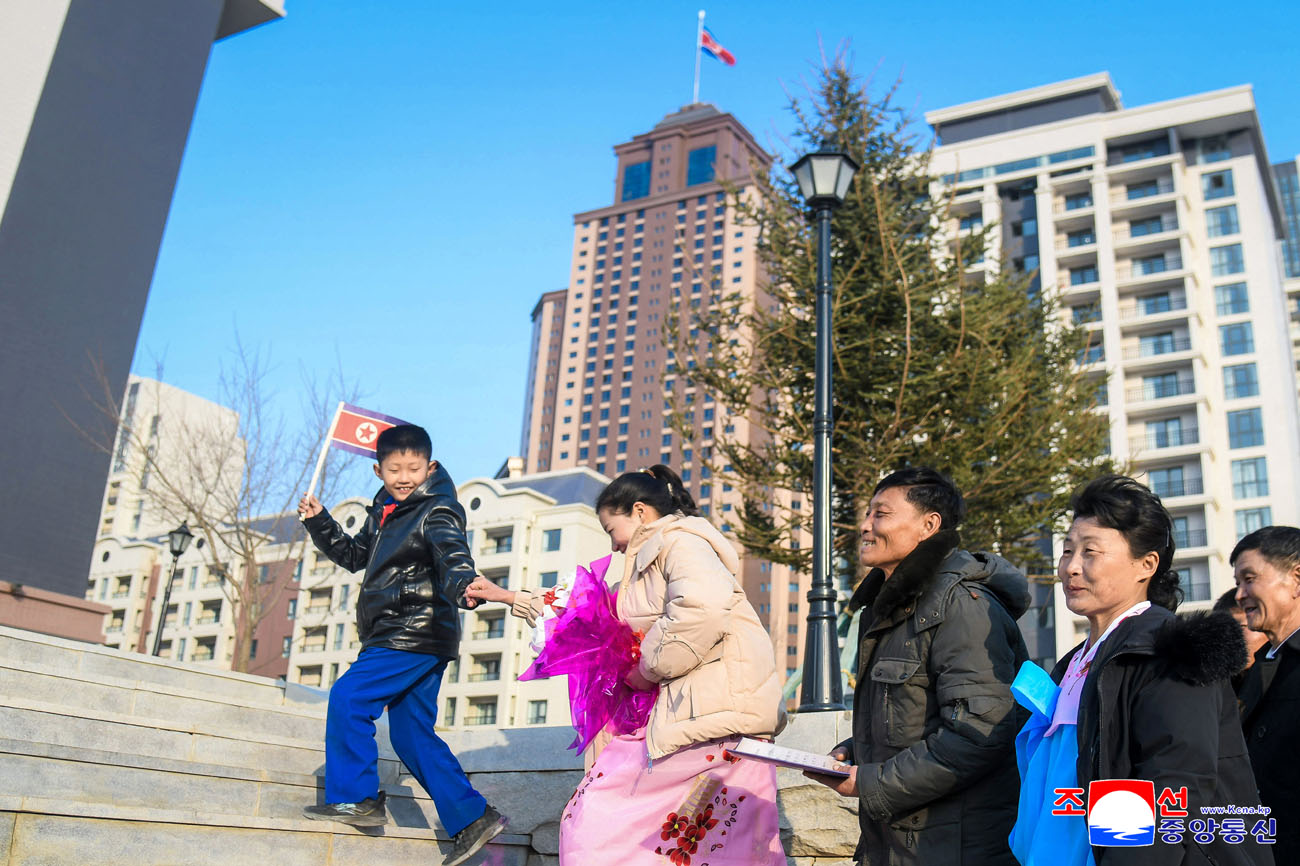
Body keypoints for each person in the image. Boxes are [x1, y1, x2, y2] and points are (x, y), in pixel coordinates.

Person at [467, 464, 786, 865]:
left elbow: (700, 609)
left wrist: (647, 669)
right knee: (693, 846)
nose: (613, 545)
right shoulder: (644, 569)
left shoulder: (682, 544)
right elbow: (584, 614)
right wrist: (508, 596)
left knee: (602, 825)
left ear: (639, 512)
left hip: (717, 723)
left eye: (610, 529)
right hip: (691, 724)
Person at [1010, 476, 1270, 866]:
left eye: (1090, 552)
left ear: (1145, 566)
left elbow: (1172, 788)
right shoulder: (1078, 661)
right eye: (1067, 551)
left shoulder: (1165, 651)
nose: (1071, 568)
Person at [296, 424, 506, 866]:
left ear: (430, 467)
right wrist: (320, 521)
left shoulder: (437, 509)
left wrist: (466, 584)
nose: (405, 476)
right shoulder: (385, 510)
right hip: (411, 634)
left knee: (350, 698)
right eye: (395, 469)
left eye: (414, 468)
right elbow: (355, 556)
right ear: (378, 470)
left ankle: (356, 797)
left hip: (410, 631)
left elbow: (452, 554)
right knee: (411, 732)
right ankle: (471, 817)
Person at [805, 467, 1030, 865]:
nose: (865, 526)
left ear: (929, 525)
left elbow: (979, 733)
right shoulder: (887, 609)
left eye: (881, 514)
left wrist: (872, 781)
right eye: (868, 514)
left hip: (952, 849)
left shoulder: (961, 606)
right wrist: (857, 749)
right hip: (895, 844)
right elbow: (913, 716)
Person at [1234, 525, 1300, 864]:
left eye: (1249, 578)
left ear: (1296, 578)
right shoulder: (1259, 668)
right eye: (1237, 583)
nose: (1240, 594)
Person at [1212, 588, 1269, 692]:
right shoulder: (1214, 688)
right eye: (1223, 629)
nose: (1230, 636)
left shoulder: (1286, 678)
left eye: (1242, 626)